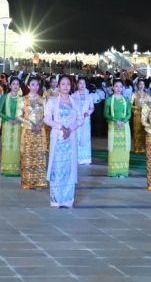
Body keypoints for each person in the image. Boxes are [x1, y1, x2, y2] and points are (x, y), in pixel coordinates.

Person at [45, 76, 82, 208]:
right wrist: (61, 127)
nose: (65, 86)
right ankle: (56, 199)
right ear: (59, 86)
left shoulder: (75, 101)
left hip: (70, 139)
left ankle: (67, 200)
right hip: (58, 139)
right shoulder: (52, 101)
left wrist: (69, 129)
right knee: (57, 168)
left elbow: (80, 119)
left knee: (69, 169)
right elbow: (47, 119)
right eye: (63, 84)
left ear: (71, 86)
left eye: (68, 84)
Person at [20, 77, 49, 190]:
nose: (35, 87)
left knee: (40, 155)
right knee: (28, 155)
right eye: (32, 84)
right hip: (28, 131)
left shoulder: (43, 99)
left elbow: (46, 115)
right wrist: (31, 125)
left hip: (40, 131)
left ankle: (40, 181)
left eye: (37, 85)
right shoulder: (23, 100)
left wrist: (39, 124)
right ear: (28, 86)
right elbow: (19, 116)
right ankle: (28, 181)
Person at [103, 81, 132, 178]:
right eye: (116, 86)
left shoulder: (126, 100)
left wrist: (123, 121)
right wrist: (116, 121)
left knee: (124, 149)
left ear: (123, 88)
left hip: (124, 127)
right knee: (113, 149)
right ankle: (113, 172)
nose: (118, 88)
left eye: (120, 86)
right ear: (113, 87)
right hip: (113, 126)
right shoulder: (109, 100)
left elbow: (129, 113)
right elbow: (106, 114)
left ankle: (123, 172)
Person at [0, 79, 22, 177]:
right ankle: (6, 169)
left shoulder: (22, 99)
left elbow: (24, 113)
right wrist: (8, 119)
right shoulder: (4, 97)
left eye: (17, 84)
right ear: (10, 86)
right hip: (7, 126)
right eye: (13, 84)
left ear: (19, 86)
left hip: (18, 126)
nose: (15, 86)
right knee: (6, 146)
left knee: (16, 147)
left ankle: (15, 169)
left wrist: (17, 119)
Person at [74, 78, 95, 166]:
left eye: (84, 83)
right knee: (77, 137)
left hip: (86, 120)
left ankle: (86, 158)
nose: (82, 85)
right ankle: (77, 158)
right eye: (80, 83)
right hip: (77, 120)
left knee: (85, 138)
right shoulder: (73, 96)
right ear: (77, 85)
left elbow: (92, 108)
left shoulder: (89, 96)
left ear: (86, 85)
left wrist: (88, 113)